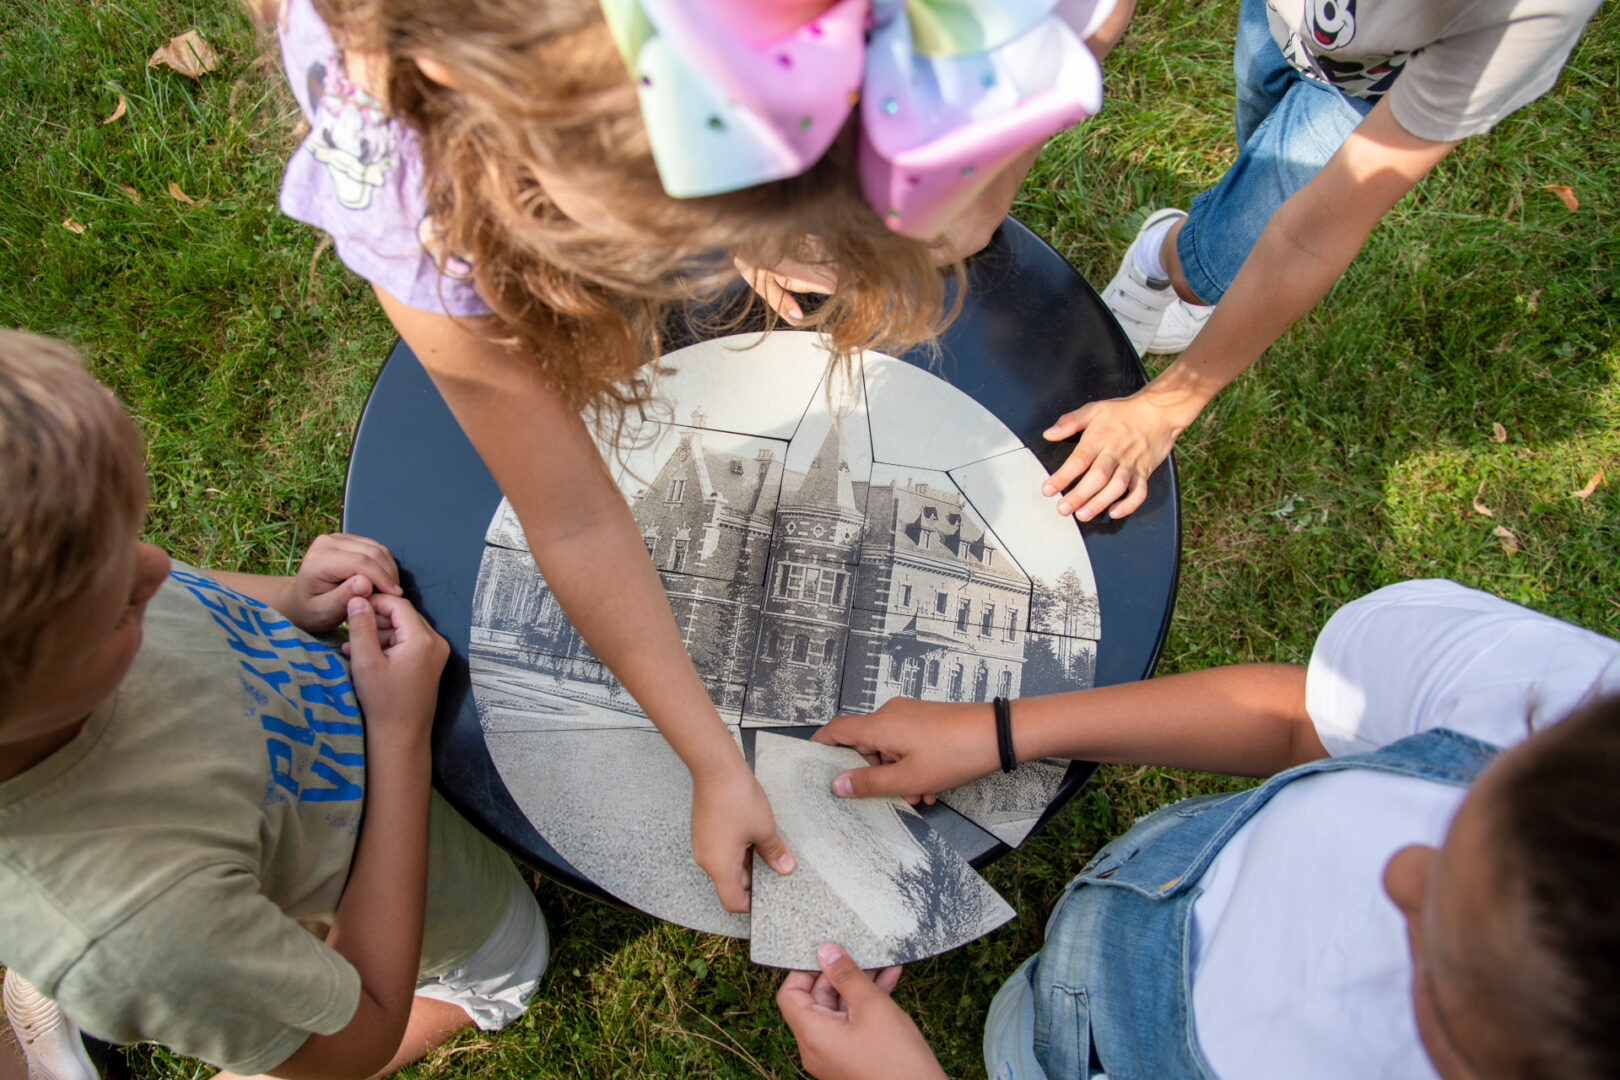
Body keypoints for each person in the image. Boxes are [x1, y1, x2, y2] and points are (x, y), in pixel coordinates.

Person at [258, 0, 1133, 911]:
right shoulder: (414, 184)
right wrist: (715, 760)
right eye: (700, 230)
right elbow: (575, 514)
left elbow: (1068, 53)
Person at [777, 578, 1620, 1079]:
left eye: (1438, 957)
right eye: (1463, 813)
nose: (1400, 871)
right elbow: (1300, 721)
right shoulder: (1550, 694)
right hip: (1140, 912)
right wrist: (1000, 731)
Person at [0, 330, 549, 1080]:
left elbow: (184, 596)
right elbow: (349, 1044)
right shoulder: (143, 924)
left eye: (131, 538)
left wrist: (293, 602)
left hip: (346, 791)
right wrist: (396, 736)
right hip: (412, 931)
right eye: (120, 604)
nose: (159, 566)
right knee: (513, 965)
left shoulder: (55, 603)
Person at [1044, 0, 1603, 524]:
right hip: (1282, 18)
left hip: (1373, 91)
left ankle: (1160, 257)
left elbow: (1312, 235)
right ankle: (1232, 214)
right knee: (1259, 150)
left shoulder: (1529, 17)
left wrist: (1165, 405)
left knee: (1207, 271)